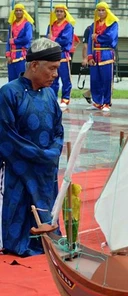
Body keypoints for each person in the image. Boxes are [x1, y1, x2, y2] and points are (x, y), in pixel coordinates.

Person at [0, 38, 64, 257]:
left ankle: (43, 241)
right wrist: (39, 155)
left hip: (46, 166)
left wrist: (53, 152)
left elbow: (58, 130)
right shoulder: (9, 93)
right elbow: (6, 135)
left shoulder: (49, 94)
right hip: (19, 167)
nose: (56, 74)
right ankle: (16, 242)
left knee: (46, 208)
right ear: (34, 65)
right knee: (19, 208)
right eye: (52, 68)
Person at [87, 1, 119, 112]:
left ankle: (106, 102)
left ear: (107, 11)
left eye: (103, 10)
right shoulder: (93, 25)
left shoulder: (113, 23)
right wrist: (89, 56)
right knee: (95, 79)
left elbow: (110, 38)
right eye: (99, 10)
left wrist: (97, 37)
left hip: (106, 54)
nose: (100, 12)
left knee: (107, 80)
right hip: (95, 54)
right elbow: (89, 41)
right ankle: (97, 102)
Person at [47, 4, 75, 109]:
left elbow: (66, 40)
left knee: (65, 78)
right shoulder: (51, 25)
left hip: (62, 54)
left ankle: (65, 98)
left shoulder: (68, 26)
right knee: (52, 78)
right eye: (57, 11)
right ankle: (52, 98)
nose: (59, 13)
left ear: (65, 13)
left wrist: (53, 38)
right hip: (52, 55)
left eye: (61, 11)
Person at [5, 4, 34, 82]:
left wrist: (14, 41)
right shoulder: (11, 25)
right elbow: (8, 41)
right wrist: (8, 55)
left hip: (22, 55)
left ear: (23, 12)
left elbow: (27, 38)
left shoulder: (27, 24)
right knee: (11, 79)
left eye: (20, 10)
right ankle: (12, 94)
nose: (18, 12)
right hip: (12, 56)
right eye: (16, 10)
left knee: (22, 78)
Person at [81, 25, 92, 104]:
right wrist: (85, 58)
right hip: (93, 57)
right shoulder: (89, 29)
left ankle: (88, 93)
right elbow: (85, 45)